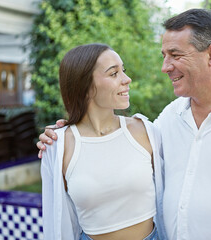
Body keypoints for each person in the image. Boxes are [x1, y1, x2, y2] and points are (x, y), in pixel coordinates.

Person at [38, 9, 211, 240]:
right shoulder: (169, 118)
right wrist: (66, 132)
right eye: (163, 55)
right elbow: (115, 151)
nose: (165, 66)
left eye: (175, 55)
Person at [40, 43, 165, 240]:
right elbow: (56, 221)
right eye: (114, 74)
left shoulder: (146, 132)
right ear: (85, 87)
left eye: (123, 71)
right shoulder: (57, 145)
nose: (127, 79)